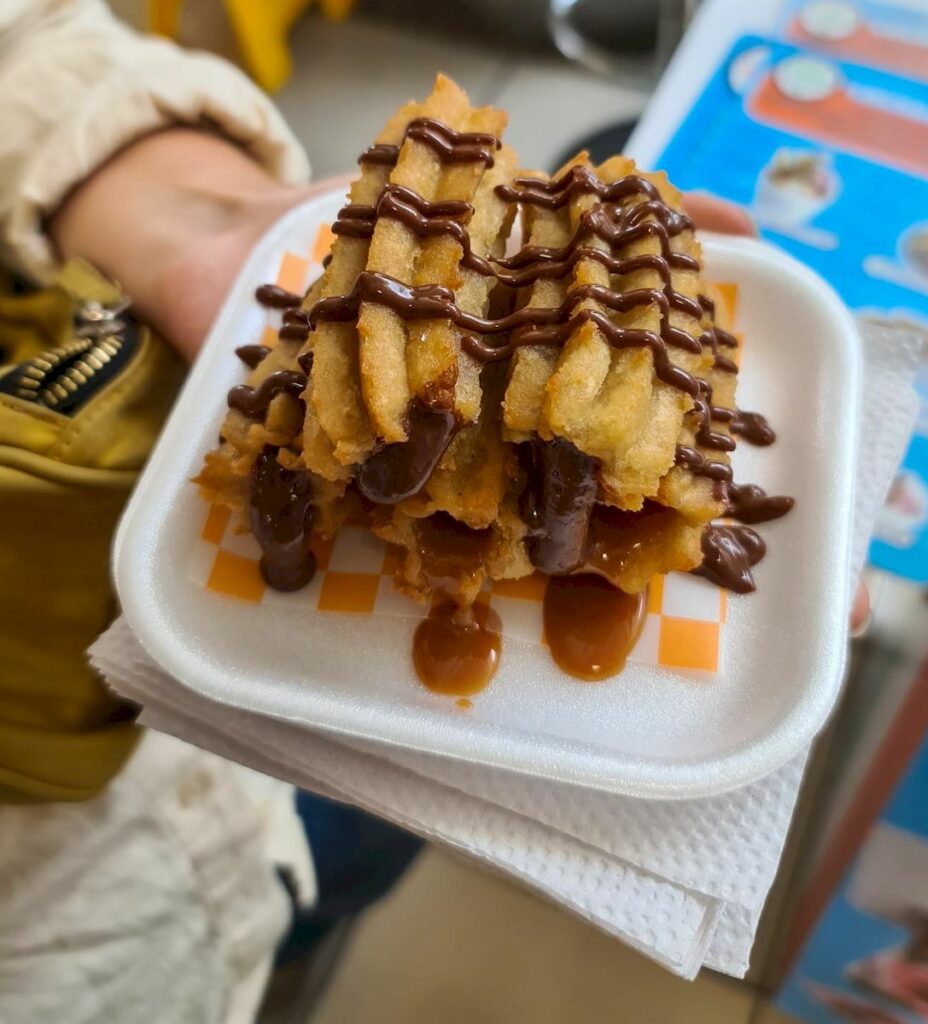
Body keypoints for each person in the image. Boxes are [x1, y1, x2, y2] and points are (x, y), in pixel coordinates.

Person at [0, 3, 870, 1023]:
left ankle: (307, 937)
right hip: (63, 904)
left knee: (355, 844)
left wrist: (193, 212)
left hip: (244, 767)